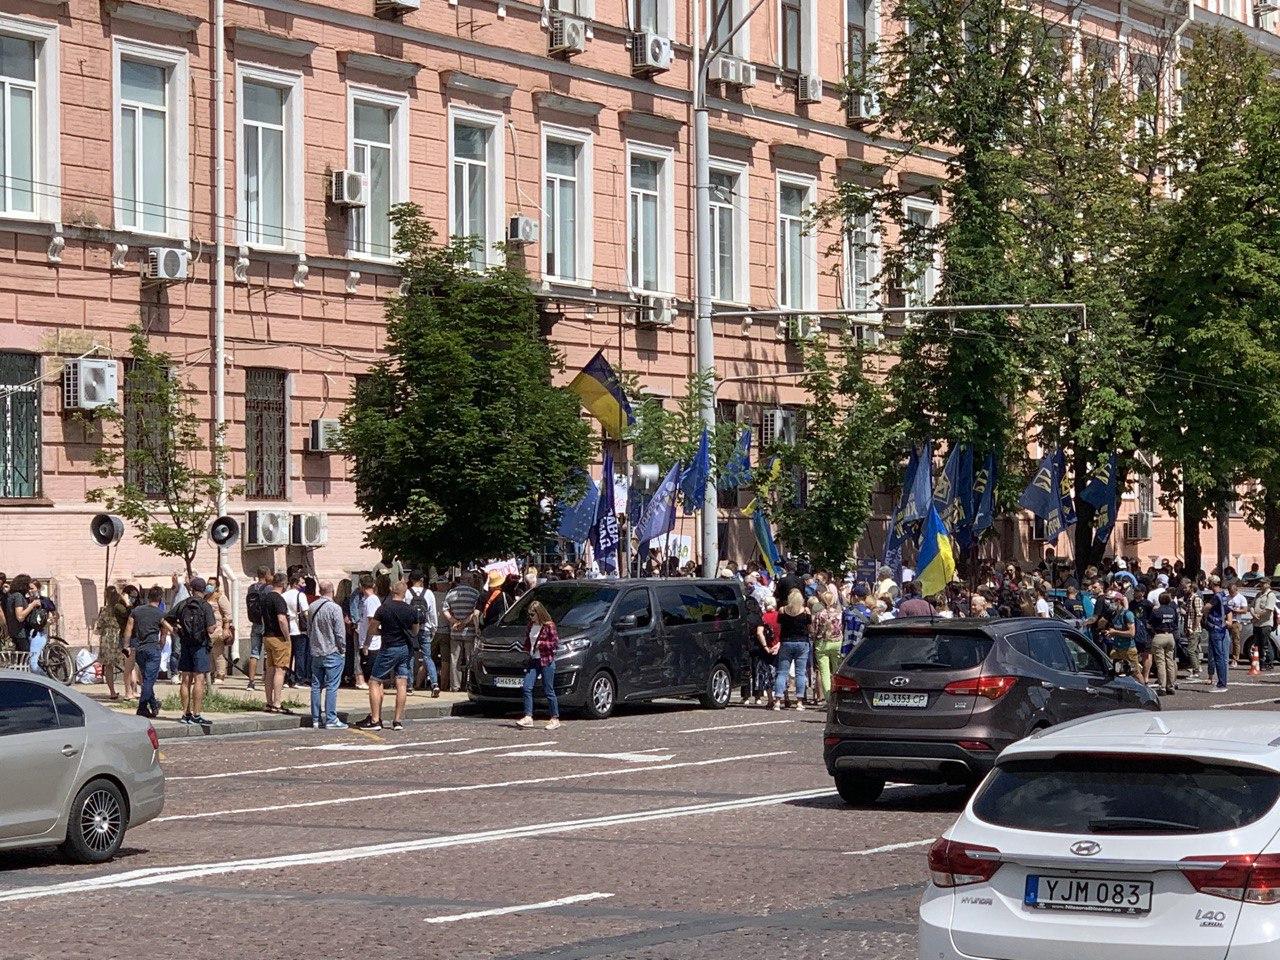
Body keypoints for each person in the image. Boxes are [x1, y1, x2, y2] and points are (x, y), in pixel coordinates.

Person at [357, 580, 420, 732]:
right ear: (405, 593)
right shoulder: (411, 610)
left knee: (374, 681)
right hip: (405, 648)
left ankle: (375, 720)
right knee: (402, 683)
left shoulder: (384, 608)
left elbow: (372, 629)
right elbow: (415, 631)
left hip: (388, 647)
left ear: (392, 590)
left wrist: (383, 632)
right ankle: (397, 721)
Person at [166, 577, 216, 725]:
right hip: (200, 646)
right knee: (199, 679)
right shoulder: (205, 606)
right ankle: (197, 714)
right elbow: (211, 629)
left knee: (185, 679)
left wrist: (175, 630)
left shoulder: (182, 604)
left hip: (185, 644)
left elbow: (166, 619)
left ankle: (185, 713)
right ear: (204, 590)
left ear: (191, 589)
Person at [307, 581, 348, 730]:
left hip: (316, 651)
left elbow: (309, 629)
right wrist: (343, 649)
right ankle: (331, 718)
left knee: (316, 686)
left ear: (319, 591)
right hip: (332, 651)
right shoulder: (335, 608)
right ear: (333, 591)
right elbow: (340, 632)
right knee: (332, 686)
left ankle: (316, 719)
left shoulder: (312, 607)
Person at [125, 586, 169, 718]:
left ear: (148, 597)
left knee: (146, 679)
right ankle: (142, 708)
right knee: (149, 680)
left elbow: (128, 628)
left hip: (139, 649)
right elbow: (164, 633)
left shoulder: (136, 611)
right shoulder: (160, 614)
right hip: (152, 648)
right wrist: (161, 644)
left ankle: (154, 705)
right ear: (160, 599)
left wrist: (126, 645)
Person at [517, 600, 561, 730]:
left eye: (532, 614)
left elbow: (555, 643)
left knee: (548, 690)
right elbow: (528, 641)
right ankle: (528, 716)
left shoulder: (549, 625)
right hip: (534, 660)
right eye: (529, 614)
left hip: (546, 660)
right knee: (527, 687)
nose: (531, 617)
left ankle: (555, 718)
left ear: (539, 613)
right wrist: (524, 649)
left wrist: (541, 644)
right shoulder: (531, 625)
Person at [772, 590, 812, 711]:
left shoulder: (783, 610)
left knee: (782, 672)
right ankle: (799, 702)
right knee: (800, 673)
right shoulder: (805, 611)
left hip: (786, 642)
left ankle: (777, 701)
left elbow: (779, 626)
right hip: (802, 642)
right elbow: (810, 628)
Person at [443, 573, 480, 692]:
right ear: (469, 580)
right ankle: (469, 684)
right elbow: (475, 613)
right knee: (470, 659)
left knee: (455, 659)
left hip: (455, 631)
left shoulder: (451, 593)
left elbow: (445, 610)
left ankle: (455, 686)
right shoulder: (475, 593)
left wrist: (454, 621)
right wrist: (464, 622)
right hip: (470, 632)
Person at [260, 573, 292, 713]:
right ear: (283, 584)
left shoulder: (266, 598)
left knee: (270, 670)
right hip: (278, 637)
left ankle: (269, 702)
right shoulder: (278, 599)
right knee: (280, 670)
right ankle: (277, 703)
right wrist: (287, 637)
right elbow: (281, 619)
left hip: (267, 636)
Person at [406, 572, 440, 696]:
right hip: (425, 628)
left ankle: (409, 686)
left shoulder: (407, 593)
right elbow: (432, 613)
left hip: (411, 629)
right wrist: (433, 628)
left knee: (410, 656)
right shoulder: (429, 593)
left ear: (410, 579)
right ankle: (434, 684)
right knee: (427, 657)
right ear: (422, 579)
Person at [812, 587, 843, 706]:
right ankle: (838, 696)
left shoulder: (819, 614)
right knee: (837, 671)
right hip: (837, 642)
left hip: (822, 643)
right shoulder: (839, 614)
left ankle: (829, 699)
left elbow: (815, 630)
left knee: (824, 672)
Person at [94, 585, 126, 700]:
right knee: (127, 663)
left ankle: (112, 692)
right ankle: (132, 689)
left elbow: (98, 627)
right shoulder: (121, 608)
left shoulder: (104, 610)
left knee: (108, 666)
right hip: (119, 637)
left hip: (106, 639)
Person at [746, 597, 778, 706]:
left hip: (749, 645)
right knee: (759, 671)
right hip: (761, 646)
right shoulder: (759, 616)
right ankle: (758, 696)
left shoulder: (756, 617)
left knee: (748, 670)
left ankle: (746, 696)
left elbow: (759, 632)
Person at [244, 566, 272, 691]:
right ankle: (267, 680)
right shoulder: (269, 588)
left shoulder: (251, 588)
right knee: (267, 653)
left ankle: (251, 682)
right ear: (266, 574)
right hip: (266, 623)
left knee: (254, 653)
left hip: (255, 622)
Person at [282, 569, 311, 689]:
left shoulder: (283, 595)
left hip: (286, 629)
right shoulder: (301, 595)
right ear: (295, 583)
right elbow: (306, 612)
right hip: (299, 629)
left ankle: (286, 679)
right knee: (300, 655)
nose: (304, 585)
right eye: (302, 583)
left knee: (288, 655)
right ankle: (299, 680)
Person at [1149, 590, 1179, 696]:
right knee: (1170, 661)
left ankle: (1162, 686)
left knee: (1160, 663)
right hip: (1170, 636)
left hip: (1159, 635)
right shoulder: (1172, 611)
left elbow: (1150, 623)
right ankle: (1171, 685)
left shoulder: (1156, 611)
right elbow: (1176, 623)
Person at [1204, 576, 1231, 693]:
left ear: (1212, 583)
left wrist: (1205, 615)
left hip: (1216, 628)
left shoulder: (1216, 596)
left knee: (1218, 657)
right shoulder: (1223, 595)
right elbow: (1227, 609)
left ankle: (1221, 684)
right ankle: (1222, 682)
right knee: (1221, 657)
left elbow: (1206, 607)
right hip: (1222, 628)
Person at [1104, 593, 1139, 676]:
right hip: (1117, 649)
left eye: (1111, 600)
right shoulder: (1115, 614)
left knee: (1135, 673)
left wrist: (1115, 632)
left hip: (1128, 650)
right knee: (1117, 672)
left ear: (1118, 601)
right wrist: (1110, 633)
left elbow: (1131, 633)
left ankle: (1143, 684)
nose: (1109, 603)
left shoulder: (1127, 614)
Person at [207, 578, 233, 684]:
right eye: (208, 584)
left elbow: (228, 614)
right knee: (209, 654)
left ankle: (220, 675)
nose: (208, 586)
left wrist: (226, 628)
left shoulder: (221, 597)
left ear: (216, 586)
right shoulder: (206, 597)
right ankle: (211, 674)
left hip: (218, 629)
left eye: (211, 584)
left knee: (218, 653)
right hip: (207, 630)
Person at [1251, 578, 1278, 671]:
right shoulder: (1258, 594)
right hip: (1257, 623)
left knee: (1265, 644)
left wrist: (1258, 615)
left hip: (1265, 623)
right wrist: (1253, 614)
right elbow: (1251, 606)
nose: (1261, 585)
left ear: (1268, 584)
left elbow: (1268, 609)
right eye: (1260, 583)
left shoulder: (1271, 595)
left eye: (1263, 583)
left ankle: (1268, 663)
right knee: (1258, 644)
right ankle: (1260, 662)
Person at [1227, 581, 1250, 666]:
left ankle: (1235, 659)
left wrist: (1237, 611)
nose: (1231, 594)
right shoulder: (1227, 597)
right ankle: (1225, 657)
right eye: (1230, 592)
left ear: (1236, 590)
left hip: (1236, 621)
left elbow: (1245, 610)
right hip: (1226, 621)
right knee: (1226, 640)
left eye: (1232, 592)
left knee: (1235, 641)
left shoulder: (1241, 598)